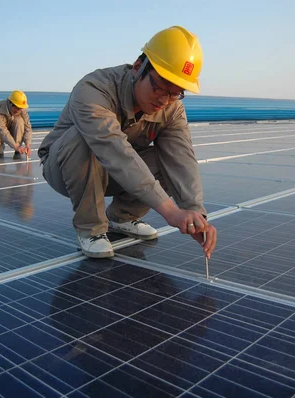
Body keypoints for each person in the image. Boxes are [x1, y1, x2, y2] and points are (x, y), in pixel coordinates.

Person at [38, 26, 217, 259]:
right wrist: (171, 212)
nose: (164, 99)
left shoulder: (172, 108)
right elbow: (115, 152)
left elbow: (182, 159)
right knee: (85, 139)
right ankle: (91, 229)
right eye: (159, 86)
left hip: (114, 174)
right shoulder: (93, 90)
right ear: (137, 67)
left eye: (176, 92)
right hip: (64, 167)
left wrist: (196, 214)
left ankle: (123, 217)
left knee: (167, 161)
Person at [0, 90, 32, 160]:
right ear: (10, 103)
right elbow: (2, 130)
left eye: (20, 108)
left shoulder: (22, 109)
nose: (19, 111)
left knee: (20, 121)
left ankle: (17, 152)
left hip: (13, 131)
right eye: (17, 108)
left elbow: (27, 127)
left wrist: (28, 144)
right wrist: (15, 146)